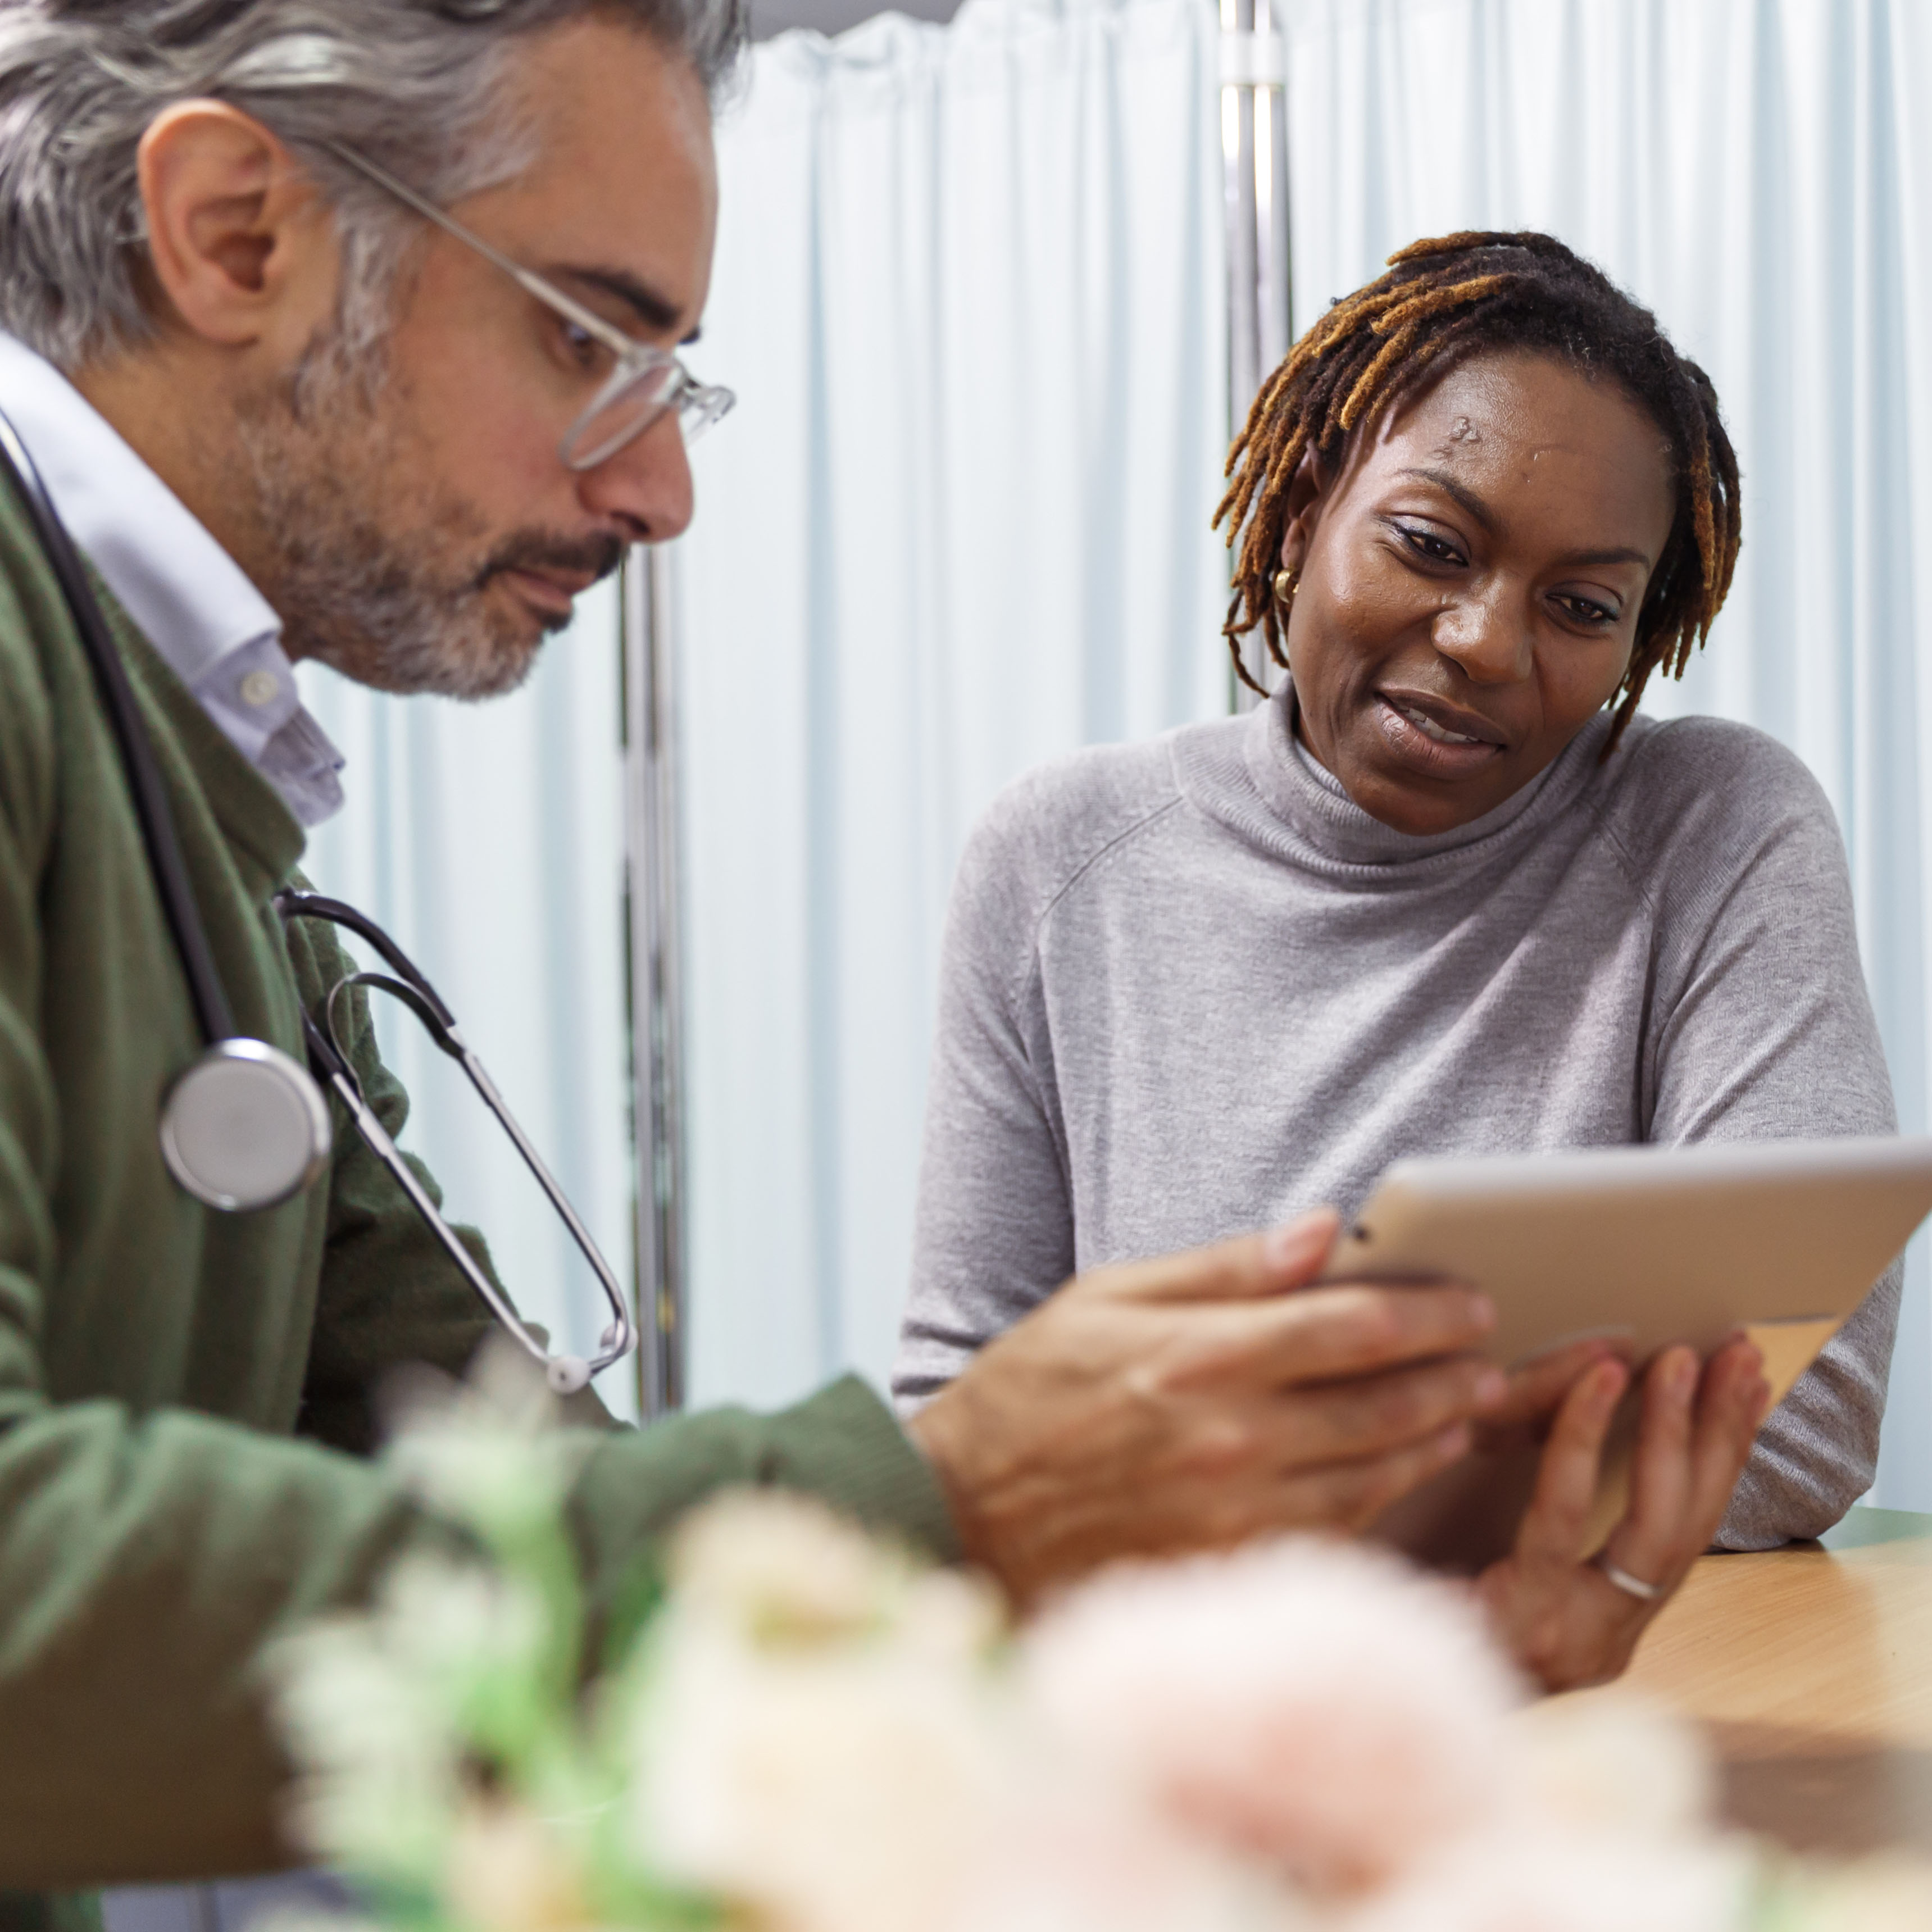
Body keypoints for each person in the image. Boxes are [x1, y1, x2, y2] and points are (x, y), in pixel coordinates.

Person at [0, 2, 1760, 1909]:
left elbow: (511, 1511)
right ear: (238, 234)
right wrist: (960, 1503)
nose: (661, 490)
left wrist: (1346, 1692)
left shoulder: (192, 788)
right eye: (588, 338)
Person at [898, 231, 1890, 1626]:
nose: (1489, 641)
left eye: (1581, 606)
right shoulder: (1057, 860)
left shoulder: (1714, 830)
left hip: (1587, 1696)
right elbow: (962, 1433)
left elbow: (1799, 1418)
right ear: (1305, 508)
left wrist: (1215, 1488)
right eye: (1431, 544)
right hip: (1165, 1701)